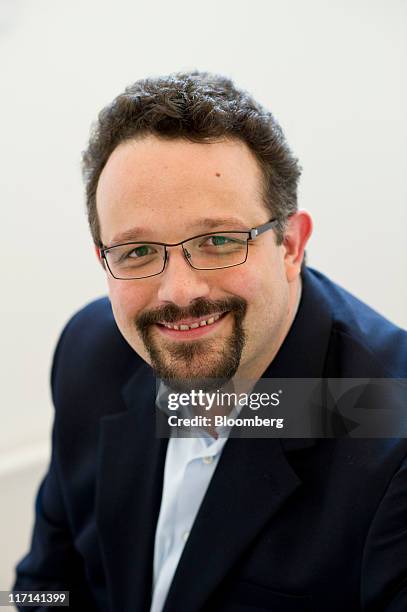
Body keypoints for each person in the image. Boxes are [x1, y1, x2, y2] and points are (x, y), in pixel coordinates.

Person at [14, 71, 407, 611]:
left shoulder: (389, 428)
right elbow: (48, 588)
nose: (179, 292)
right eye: (138, 252)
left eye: (219, 241)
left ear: (290, 245)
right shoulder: (90, 353)